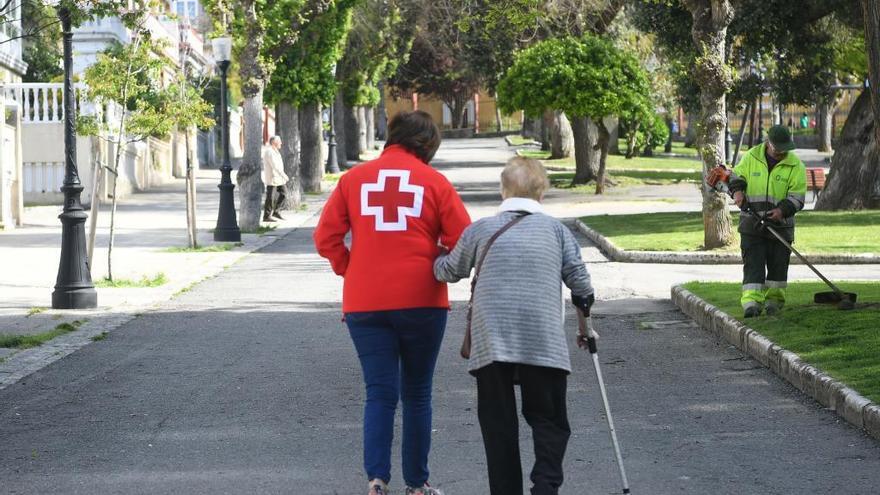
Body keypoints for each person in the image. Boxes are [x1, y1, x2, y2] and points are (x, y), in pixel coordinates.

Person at [313, 110, 471, 495]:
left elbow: (325, 239)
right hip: (422, 300)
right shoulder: (435, 183)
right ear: (427, 145)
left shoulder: (353, 180)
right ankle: (417, 485)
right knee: (417, 393)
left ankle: (377, 480)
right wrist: (438, 261)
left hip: (365, 302)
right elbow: (465, 241)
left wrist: (351, 269)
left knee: (379, 393)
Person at [433, 157, 595, 495]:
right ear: (543, 193)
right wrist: (585, 328)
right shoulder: (557, 231)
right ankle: (545, 487)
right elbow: (581, 285)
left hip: (491, 341)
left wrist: (433, 255)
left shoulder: (480, 230)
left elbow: (449, 270)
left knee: (498, 427)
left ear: (503, 190)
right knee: (549, 420)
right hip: (543, 341)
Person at [729, 125, 807, 318]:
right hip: (752, 223)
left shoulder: (796, 166)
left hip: (780, 226)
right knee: (753, 266)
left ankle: (774, 303)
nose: (781, 152)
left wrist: (782, 211)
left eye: (784, 149)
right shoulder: (751, 157)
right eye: (778, 148)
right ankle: (751, 304)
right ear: (768, 142)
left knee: (778, 267)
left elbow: (797, 198)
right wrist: (737, 191)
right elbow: (736, 177)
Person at [262, 136, 289, 222]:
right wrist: (284, 175)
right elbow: (275, 166)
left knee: (284, 194)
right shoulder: (270, 152)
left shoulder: (275, 151)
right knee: (270, 197)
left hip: (279, 178)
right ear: (274, 142)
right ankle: (266, 216)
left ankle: (276, 211)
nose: (281, 143)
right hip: (273, 178)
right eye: (279, 141)